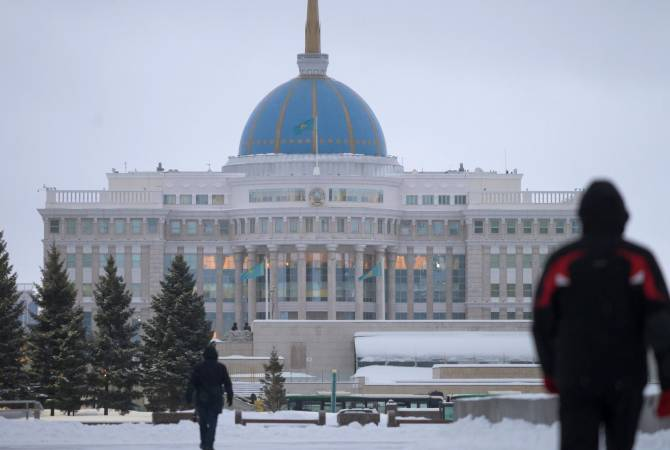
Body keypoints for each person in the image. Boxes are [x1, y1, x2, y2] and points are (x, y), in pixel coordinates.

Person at [533, 180, 670, 450]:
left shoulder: (562, 260)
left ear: (583, 217)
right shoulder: (640, 260)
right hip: (627, 377)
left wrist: (550, 370)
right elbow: (662, 325)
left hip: (576, 377)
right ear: (623, 217)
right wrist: (668, 382)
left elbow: (542, 321)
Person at [186, 346, 233, 450]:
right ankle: (209, 444)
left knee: (202, 423)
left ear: (205, 355)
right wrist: (230, 395)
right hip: (216, 399)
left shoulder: (198, 367)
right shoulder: (221, 367)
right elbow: (227, 383)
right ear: (216, 355)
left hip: (202, 398)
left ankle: (204, 443)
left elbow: (192, 383)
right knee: (213, 423)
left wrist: (188, 396)